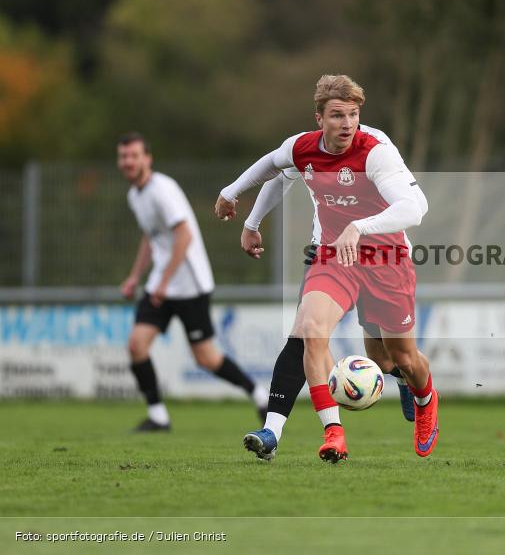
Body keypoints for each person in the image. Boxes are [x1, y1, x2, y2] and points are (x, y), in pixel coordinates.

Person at [215, 74, 439, 462]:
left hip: (386, 260)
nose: (347, 123)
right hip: (334, 255)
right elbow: (272, 167)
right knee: (311, 330)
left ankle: (423, 396)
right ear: (319, 118)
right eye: (338, 115)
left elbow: (415, 209)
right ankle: (334, 433)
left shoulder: (375, 151)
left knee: (395, 358)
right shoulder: (303, 148)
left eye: (353, 115)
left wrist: (360, 226)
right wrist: (233, 198)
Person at [117, 132, 268, 432]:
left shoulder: (162, 189)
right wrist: (136, 276)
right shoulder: (135, 195)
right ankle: (158, 416)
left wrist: (164, 281)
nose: (128, 161)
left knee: (207, 359)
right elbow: (151, 236)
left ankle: (260, 395)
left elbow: (184, 235)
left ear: (147, 158)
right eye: (123, 156)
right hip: (162, 283)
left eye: (134, 155)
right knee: (137, 345)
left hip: (189, 286)